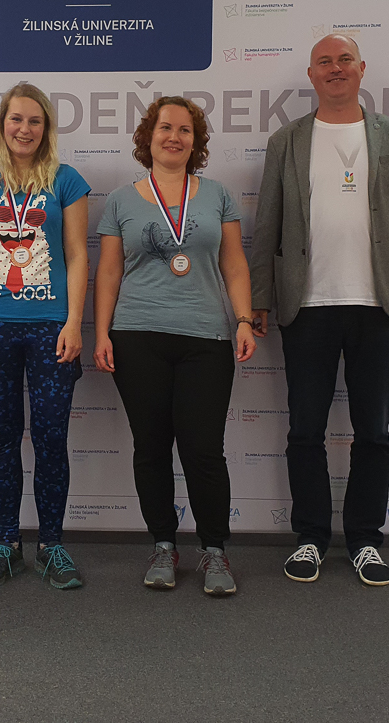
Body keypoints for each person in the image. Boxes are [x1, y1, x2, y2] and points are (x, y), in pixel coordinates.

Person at [250, 34, 389, 588]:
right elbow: (267, 226)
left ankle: (365, 540)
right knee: (305, 429)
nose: (336, 69)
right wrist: (259, 299)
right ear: (311, 75)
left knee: (373, 431)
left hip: (378, 305)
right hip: (306, 306)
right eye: (325, 62)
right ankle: (309, 538)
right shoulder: (286, 140)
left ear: (362, 69)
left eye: (345, 60)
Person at [93, 96, 258, 596]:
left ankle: (214, 550)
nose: (174, 137)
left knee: (203, 450)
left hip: (205, 338)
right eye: (165, 128)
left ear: (195, 141)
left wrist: (244, 319)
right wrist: (101, 333)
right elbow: (109, 272)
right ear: (149, 137)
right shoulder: (120, 200)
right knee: (151, 447)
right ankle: (163, 543)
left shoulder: (218, 195)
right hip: (136, 337)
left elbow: (234, 264)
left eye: (185, 130)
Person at [0, 83, 91, 590]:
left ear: (46, 128)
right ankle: (6, 544)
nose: (25, 129)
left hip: (52, 325)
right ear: (2, 125)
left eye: (35, 121)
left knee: (52, 437)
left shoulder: (66, 181)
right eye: (16, 119)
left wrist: (74, 321)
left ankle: (51, 544)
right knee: (3, 436)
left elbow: (77, 254)